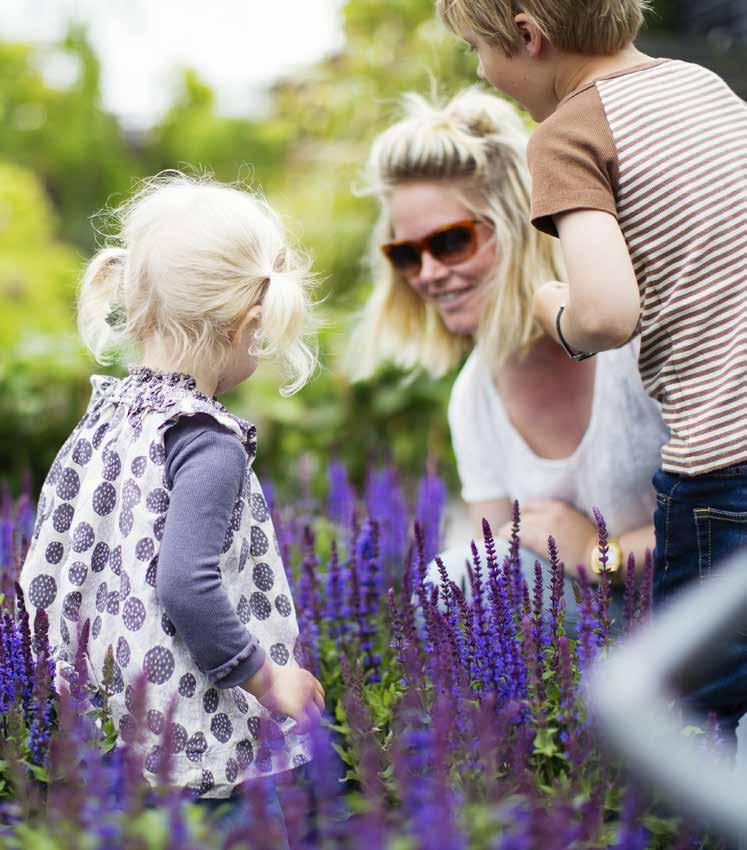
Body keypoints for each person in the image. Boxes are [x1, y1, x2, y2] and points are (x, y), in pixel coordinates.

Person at [436, 0, 747, 732]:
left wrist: (553, 310)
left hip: (723, 468)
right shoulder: (701, 85)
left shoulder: (566, 134)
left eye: (478, 51)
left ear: (525, 36)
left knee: (698, 711)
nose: (482, 72)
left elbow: (607, 316)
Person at [20, 173, 325, 825]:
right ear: (246, 324)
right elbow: (186, 585)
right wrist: (268, 682)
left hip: (110, 722)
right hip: (198, 741)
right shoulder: (205, 442)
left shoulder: (110, 412)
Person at [351, 88, 668, 632]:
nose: (426, 273)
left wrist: (601, 553)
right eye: (406, 254)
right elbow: (493, 572)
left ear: (520, 226)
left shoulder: (633, 336)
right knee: (454, 588)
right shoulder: (474, 400)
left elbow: (728, 519)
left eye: (451, 242)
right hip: (604, 629)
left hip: (713, 604)